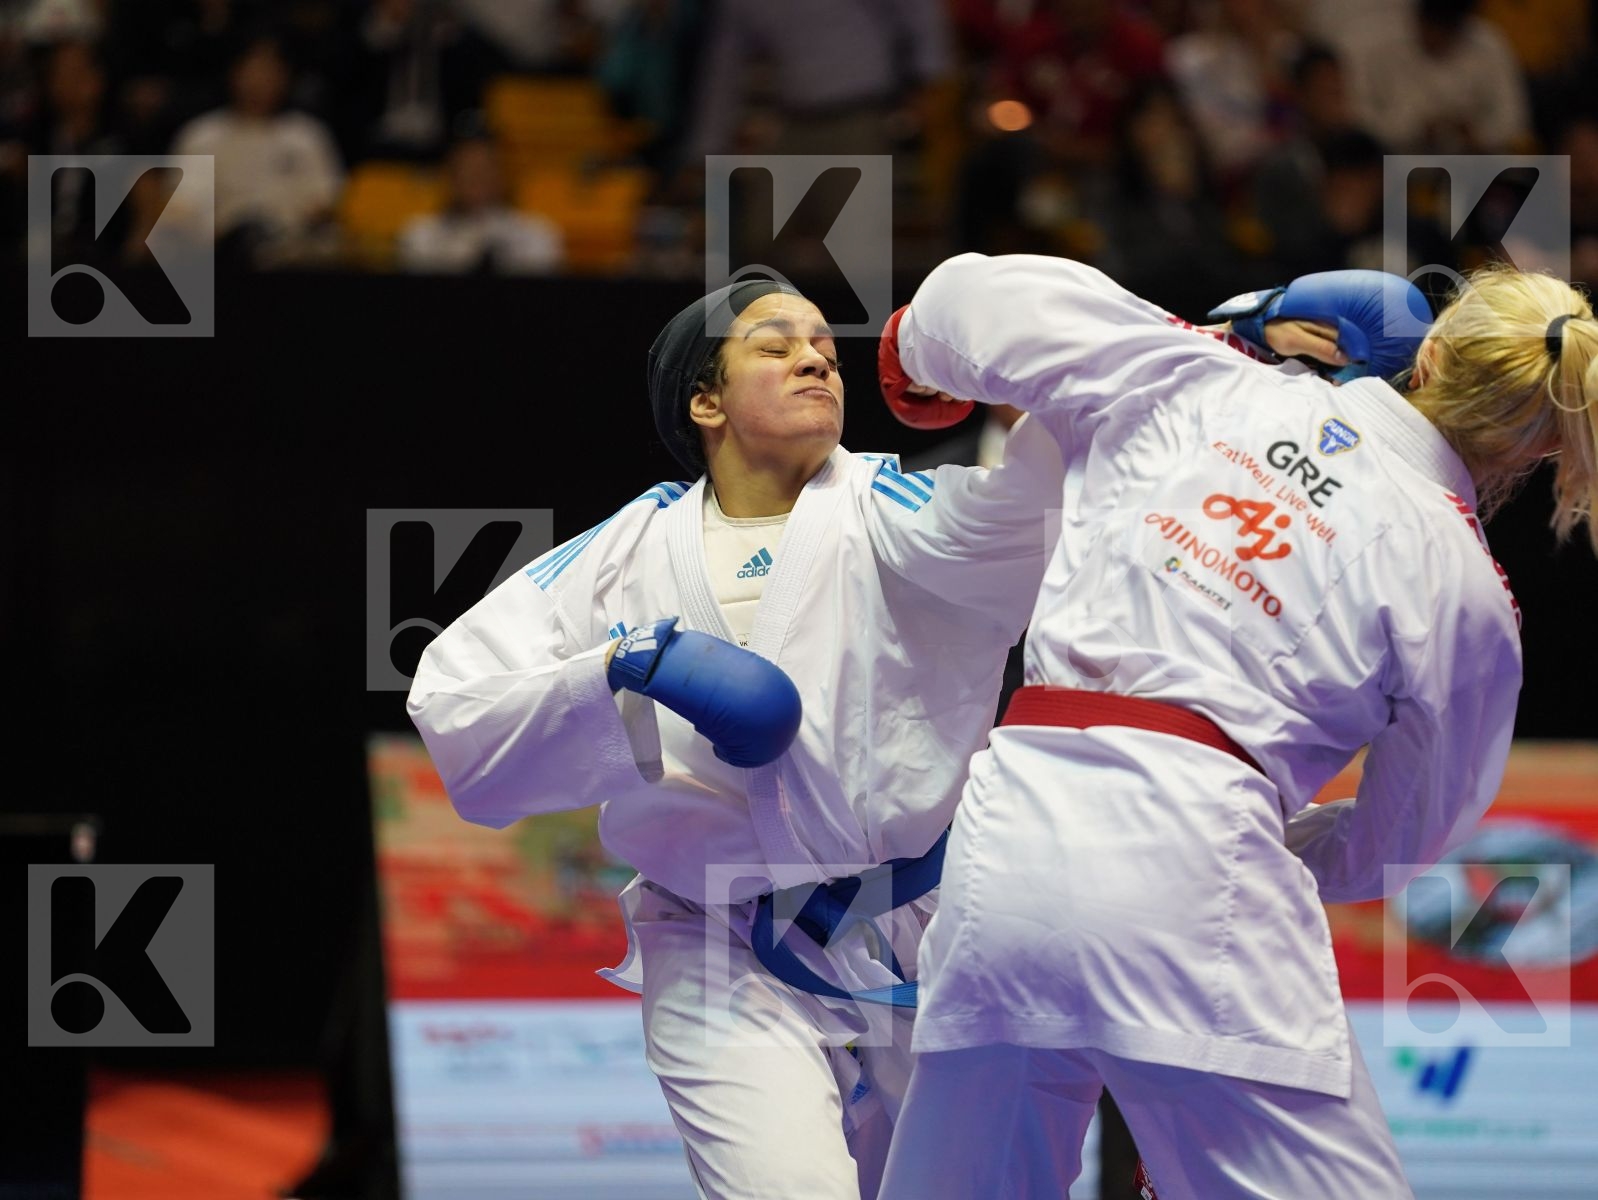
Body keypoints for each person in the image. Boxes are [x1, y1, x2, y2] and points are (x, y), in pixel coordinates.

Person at [872, 252, 1597, 1198]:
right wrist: (1282, 844)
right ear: (1540, 450)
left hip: (1007, 848)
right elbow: (1402, 842)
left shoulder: (1205, 371)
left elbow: (964, 299)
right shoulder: (1464, 587)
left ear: (1428, 358)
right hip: (1199, 869)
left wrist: (909, 357)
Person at [406, 276, 1066, 1198]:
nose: (815, 360)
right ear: (705, 401)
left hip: (923, 931)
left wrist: (1023, 355)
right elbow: (453, 699)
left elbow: (1061, 509)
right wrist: (624, 671)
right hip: (713, 938)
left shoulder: (897, 508)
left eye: (828, 354)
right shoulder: (625, 550)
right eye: (776, 345)